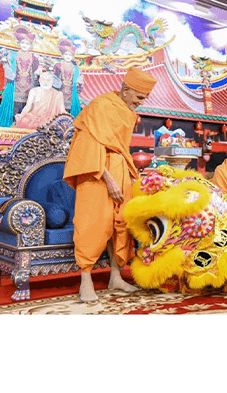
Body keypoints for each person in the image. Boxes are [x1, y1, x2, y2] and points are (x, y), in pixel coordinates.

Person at [63, 66, 157, 302]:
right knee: (93, 223)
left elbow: (122, 149)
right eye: (138, 97)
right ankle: (86, 282)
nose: (141, 103)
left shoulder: (127, 111)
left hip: (121, 172)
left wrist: (131, 175)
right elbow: (88, 145)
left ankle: (116, 276)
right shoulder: (99, 106)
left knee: (122, 225)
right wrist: (108, 177)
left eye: (144, 98)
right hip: (96, 172)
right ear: (125, 90)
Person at [53, 38, 83, 118]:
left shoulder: (76, 69)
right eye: (66, 54)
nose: (68, 57)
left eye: (70, 55)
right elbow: (54, 79)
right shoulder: (57, 66)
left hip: (71, 95)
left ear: (73, 57)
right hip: (59, 93)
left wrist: (79, 83)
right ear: (62, 55)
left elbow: (80, 85)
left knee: (69, 115)